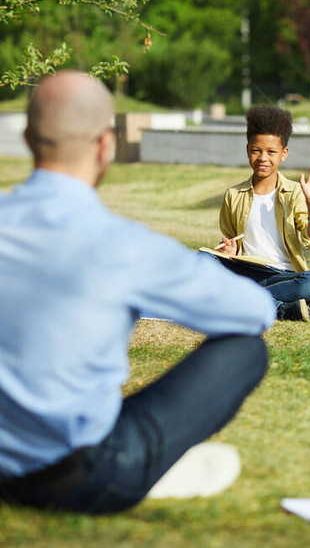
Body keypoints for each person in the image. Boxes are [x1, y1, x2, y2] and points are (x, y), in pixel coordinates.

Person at [0, 71, 275, 514]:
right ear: (106, 145)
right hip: (80, 476)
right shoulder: (123, 245)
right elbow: (255, 310)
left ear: (29, 139)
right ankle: (153, 468)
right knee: (246, 351)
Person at [214, 106, 310, 321]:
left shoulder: (294, 192)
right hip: (245, 273)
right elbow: (232, 243)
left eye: (271, 152)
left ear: (284, 153)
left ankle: (241, 302)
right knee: (203, 260)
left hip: (283, 277)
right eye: (256, 150)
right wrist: (229, 249)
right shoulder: (233, 194)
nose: (262, 158)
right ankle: (278, 307)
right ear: (247, 150)